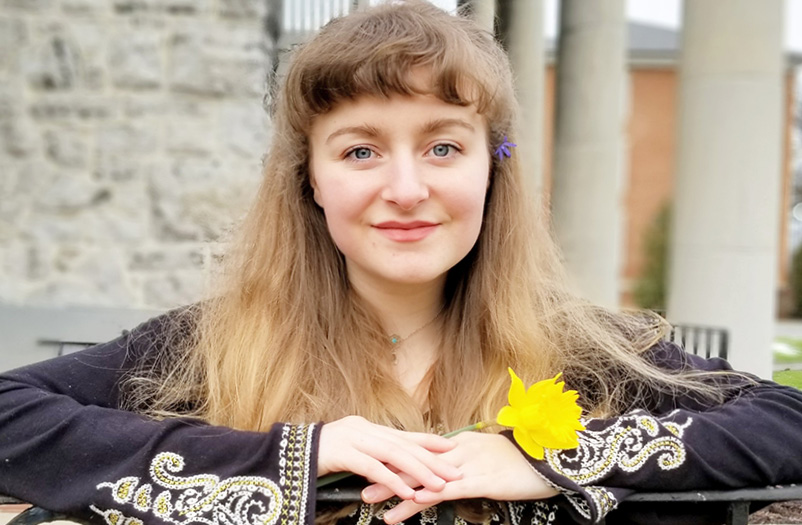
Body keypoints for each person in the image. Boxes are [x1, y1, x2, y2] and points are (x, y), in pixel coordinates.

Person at [1, 2, 801, 525]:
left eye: (444, 145)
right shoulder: (209, 345)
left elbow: (786, 421)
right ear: (310, 179)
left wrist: (547, 458)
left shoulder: (587, 353)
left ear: (494, 166)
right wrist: (297, 454)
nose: (407, 189)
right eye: (360, 150)